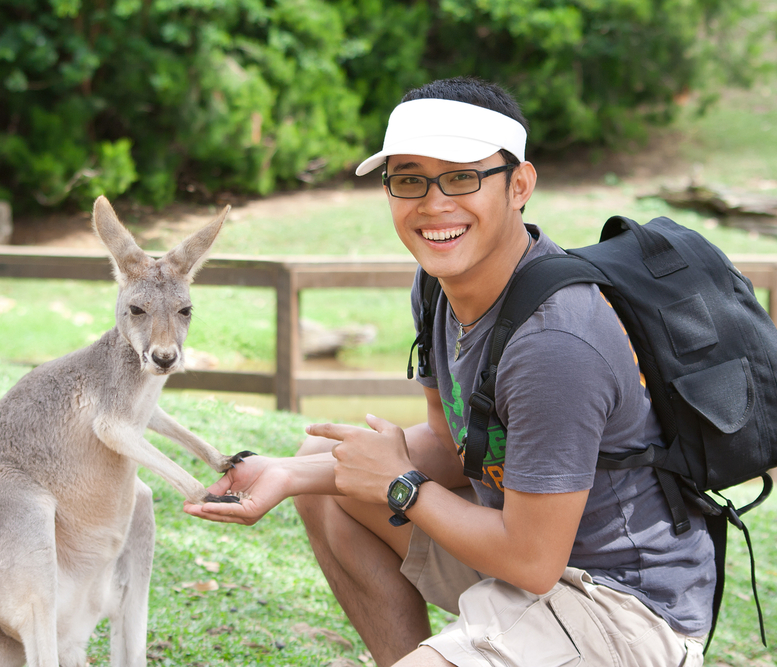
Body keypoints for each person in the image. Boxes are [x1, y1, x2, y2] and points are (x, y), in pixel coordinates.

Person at [184, 76, 715, 667]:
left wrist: (399, 485)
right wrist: (284, 473)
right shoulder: (439, 286)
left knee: (361, 473)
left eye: (462, 176)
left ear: (519, 185)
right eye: (409, 180)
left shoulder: (556, 342)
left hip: (621, 610)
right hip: (524, 551)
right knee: (322, 466)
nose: (433, 204)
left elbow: (534, 561)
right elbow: (448, 442)